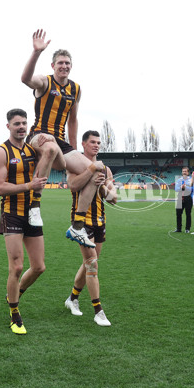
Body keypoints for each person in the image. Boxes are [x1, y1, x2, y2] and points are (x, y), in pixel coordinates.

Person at [21, 29, 104, 247]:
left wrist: (74, 150)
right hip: (38, 135)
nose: (64, 66)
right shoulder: (45, 82)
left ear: (71, 65)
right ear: (53, 66)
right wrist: (36, 52)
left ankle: (77, 226)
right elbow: (25, 78)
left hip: (61, 142)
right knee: (49, 148)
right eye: (60, 63)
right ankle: (35, 207)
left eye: (67, 63)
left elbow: (73, 120)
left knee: (97, 171)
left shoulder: (75, 89)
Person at [0, 108, 48, 335]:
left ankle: (14, 293)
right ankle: (15, 314)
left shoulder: (33, 149)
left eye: (24, 123)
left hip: (33, 213)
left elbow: (54, 158)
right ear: (8, 127)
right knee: (16, 266)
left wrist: (49, 141)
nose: (21, 127)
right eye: (17, 124)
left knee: (39, 267)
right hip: (12, 212)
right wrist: (28, 186)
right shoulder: (1, 152)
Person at [63, 130, 116, 326]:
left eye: (98, 142)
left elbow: (114, 199)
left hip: (100, 221)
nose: (96, 145)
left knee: (89, 263)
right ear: (83, 144)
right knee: (92, 264)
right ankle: (98, 310)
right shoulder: (75, 164)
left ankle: (72, 298)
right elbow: (73, 185)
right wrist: (91, 171)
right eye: (92, 142)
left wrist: (103, 187)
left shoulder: (107, 169)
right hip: (82, 221)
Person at [174, 167, 193, 233]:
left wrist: (185, 187)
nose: (184, 172)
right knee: (178, 214)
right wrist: (181, 187)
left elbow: (192, 189)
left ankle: (187, 229)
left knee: (188, 214)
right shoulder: (179, 180)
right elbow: (176, 189)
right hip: (180, 197)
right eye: (183, 171)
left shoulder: (191, 180)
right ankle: (178, 228)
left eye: (185, 171)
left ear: (188, 172)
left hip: (188, 198)